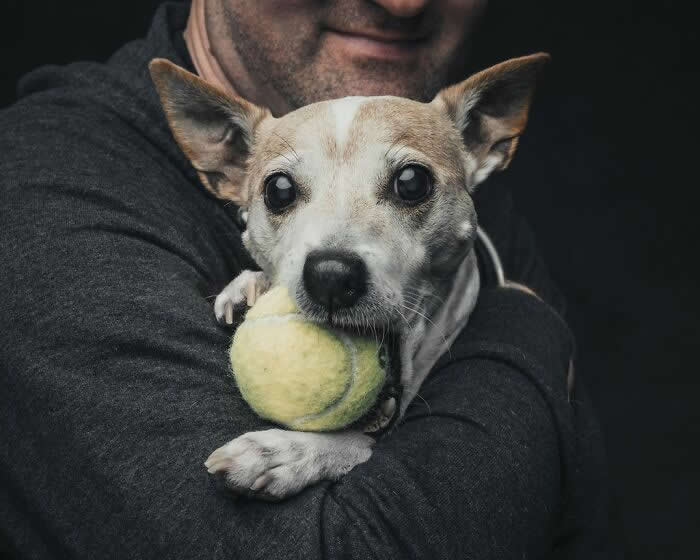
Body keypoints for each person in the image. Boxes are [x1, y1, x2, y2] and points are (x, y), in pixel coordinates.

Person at [0, 1, 612, 558]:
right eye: (285, 191)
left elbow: (577, 520)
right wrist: (525, 323)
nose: (403, 4)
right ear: (229, 161)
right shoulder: (45, 196)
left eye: (407, 186)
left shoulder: (462, 190)